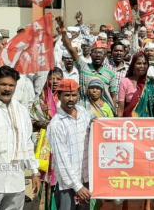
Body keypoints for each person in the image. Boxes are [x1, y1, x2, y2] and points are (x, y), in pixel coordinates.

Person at [0, 66, 41, 209]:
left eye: (11, 85)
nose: (7, 89)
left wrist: (35, 171)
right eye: (3, 84)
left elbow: (27, 143)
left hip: (15, 181)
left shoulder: (21, 111)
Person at [56, 17, 118, 113]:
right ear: (90, 54)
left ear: (105, 55)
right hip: (83, 113)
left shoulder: (111, 74)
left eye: (101, 53)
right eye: (95, 52)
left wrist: (114, 115)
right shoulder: (83, 66)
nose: (98, 55)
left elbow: (113, 96)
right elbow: (70, 48)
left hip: (104, 115)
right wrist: (63, 29)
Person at [47, 79, 91, 210]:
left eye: (74, 95)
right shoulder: (56, 124)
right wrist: (77, 186)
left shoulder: (83, 113)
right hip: (68, 184)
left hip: (85, 177)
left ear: (78, 95)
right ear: (59, 96)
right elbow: (62, 160)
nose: (71, 99)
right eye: (67, 95)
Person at [118, 52, 154, 117]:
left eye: (145, 63)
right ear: (133, 65)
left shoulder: (151, 82)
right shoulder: (125, 82)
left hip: (147, 124)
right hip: (130, 123)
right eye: (139, 63)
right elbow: (120, 109)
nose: (142, 66)